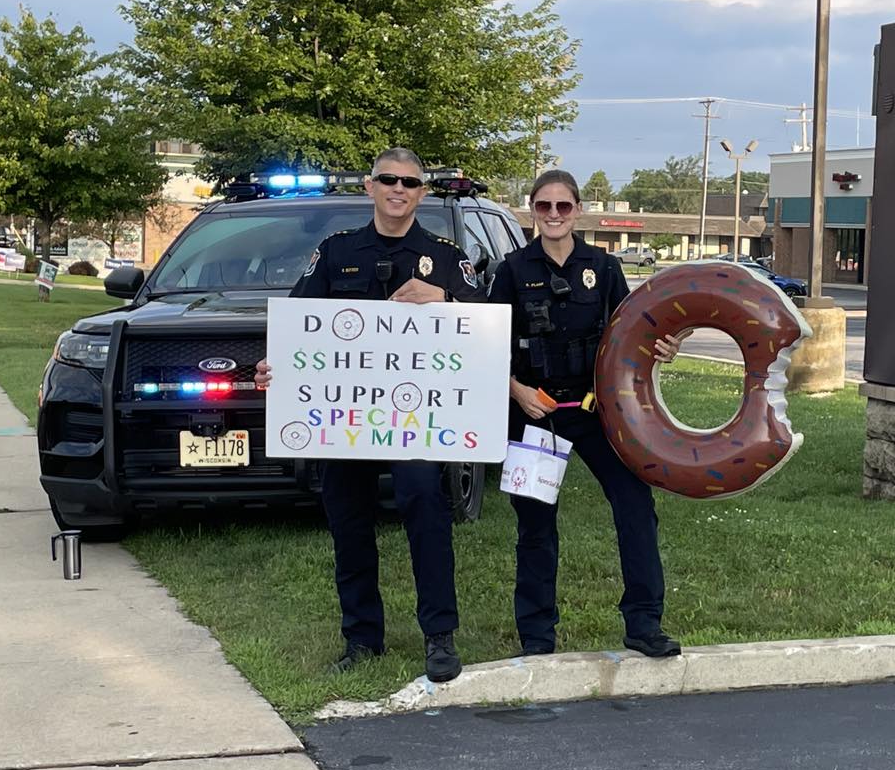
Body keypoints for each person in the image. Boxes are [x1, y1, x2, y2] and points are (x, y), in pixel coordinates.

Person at [256, 148, 483, 682]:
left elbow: (488, 327)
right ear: (370, 186)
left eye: (410, 182)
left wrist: (446, 300)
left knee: (426, 509)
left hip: (418, 420)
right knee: (349, 521)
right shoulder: (337, 252)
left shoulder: (444, 257)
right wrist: (275, 366)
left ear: (422, 193)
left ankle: (439, 636)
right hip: (346, 420)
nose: (398, 189)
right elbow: (298, 323)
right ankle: (362, 638)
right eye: (388, 179)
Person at [489, 169, 685, 658]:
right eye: (544, 206)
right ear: (532, 210)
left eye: (563, 206)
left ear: (578, 210)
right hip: (535, 412)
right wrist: (516, 391)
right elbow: (486, 346)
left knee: (635, 507)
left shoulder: (604, 266)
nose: (554, 215)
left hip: (599, 413)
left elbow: (635, 330)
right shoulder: (511, 270)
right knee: (536, 526)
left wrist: (665, 346)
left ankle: (644, 623)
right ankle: (537, 637)